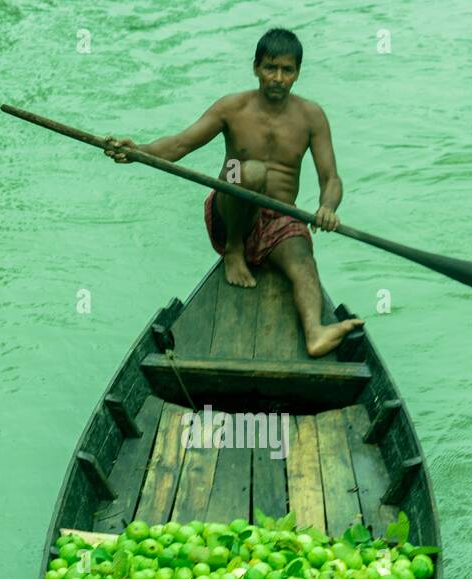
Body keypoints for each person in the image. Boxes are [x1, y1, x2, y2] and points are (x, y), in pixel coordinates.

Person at [104, 28, 363, 357]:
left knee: (304, 263)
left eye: (287, 70)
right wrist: (138, 151)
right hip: (231, 213)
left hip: (281, 219)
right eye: (270, 68)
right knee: (252, 171)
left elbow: (331, 178)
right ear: (256, 67)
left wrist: (328, 207)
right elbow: (180, 144)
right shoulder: (232, 108)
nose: (278, 78)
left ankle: (315, 333)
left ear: (297, 73)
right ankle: (234, 252)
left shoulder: (311, 116)